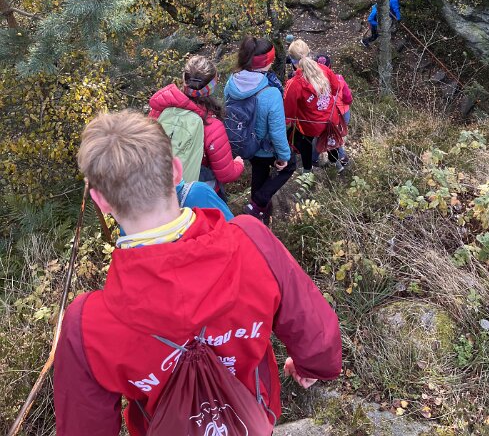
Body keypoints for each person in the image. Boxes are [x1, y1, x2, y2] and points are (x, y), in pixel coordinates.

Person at [54, 111, 342, 435]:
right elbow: (315, 327)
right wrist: (312, 365)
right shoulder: (251, 241)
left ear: (101, 201)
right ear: (176, 171)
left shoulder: (88, 324)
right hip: (251, 419)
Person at [149, 55, 243, 197]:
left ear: (184, 80)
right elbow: (225, 174)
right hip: (191, 190)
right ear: (212, 87)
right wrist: (238, 164)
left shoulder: (158, 110)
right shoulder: (212, 125)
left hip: (154, 183)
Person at [224, 37, 295, 222]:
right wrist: (283, 156)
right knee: (290, 165)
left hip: (244, 143)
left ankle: (258, 215)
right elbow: (277, 132)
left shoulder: (231, 83)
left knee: (259, 175)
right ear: (266, 62)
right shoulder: (270, 93)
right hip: (265, 148)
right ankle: (258, 203)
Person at [284, 39, 345, 174]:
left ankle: (307, 170)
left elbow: (288, 112)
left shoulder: (293, 83)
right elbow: (336, 88)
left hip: (310, 125)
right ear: (309, 53)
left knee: (303, 141)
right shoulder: (324, 69)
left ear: (292, 61)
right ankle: (336, 164)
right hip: (330, 118)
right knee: (330, 136)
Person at [313, 54, 353, 167]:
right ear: (330, 66)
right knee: (332, 136)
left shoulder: (312, 84)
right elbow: (348, 99)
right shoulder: (339, 78)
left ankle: (313, 160)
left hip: (323, 117)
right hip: (342, 115)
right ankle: (341, 159)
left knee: (324, 136)